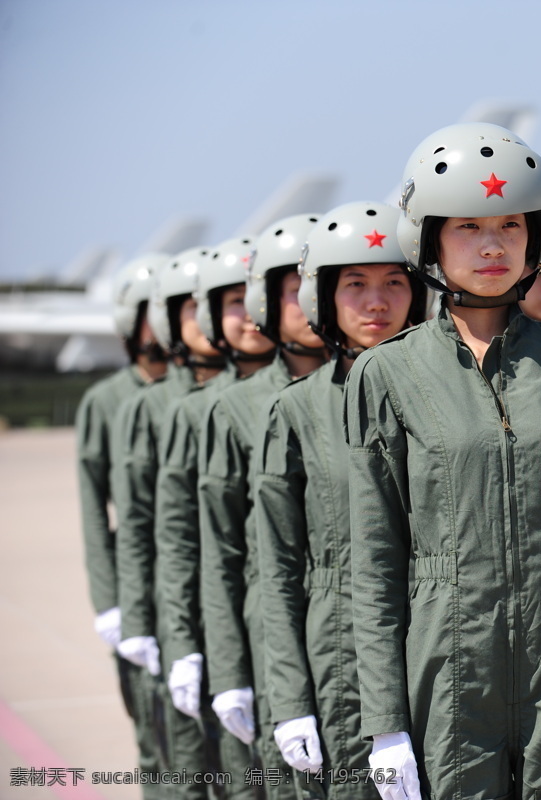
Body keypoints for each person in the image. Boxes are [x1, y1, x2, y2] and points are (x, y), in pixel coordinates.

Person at [345, 123, 541, 800]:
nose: (492, 245)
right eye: (467, 227)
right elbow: (373, 563)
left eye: (510, 226)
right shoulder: (386, 375)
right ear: (429, 238)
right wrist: (385, 722)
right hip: (450, 668)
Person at [255, 201, 423, 799]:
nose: (376, 302)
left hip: (438, 643)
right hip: (341, 656)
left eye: (393, 283)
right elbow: (275, 572)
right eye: (355, 285)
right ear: (324, 297)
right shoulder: (296, 412)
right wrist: (291, 699)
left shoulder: (454, 399)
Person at [196, 214, 328, 799]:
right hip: (274, 636)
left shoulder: (388, 390)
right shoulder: (236, 409)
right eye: (294, 286)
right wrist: (226, 672)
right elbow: (217, 550)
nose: (310, 298)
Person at [157, 235, 274, 798]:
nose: (249, 314)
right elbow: (183, 541)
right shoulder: (204, 413)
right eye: (232, 301)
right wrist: (181, 641)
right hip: (234, 623)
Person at [114, 244, 231, 795]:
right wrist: (132, 616)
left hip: (235, 607)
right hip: (175, 606)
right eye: (191, 308)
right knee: (179, 759)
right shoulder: (154, 407)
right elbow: (140, 526)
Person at [76, 254, 169, 795]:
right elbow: (92, 505)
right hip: (136, 575)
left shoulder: (197, 392)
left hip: (191, 575)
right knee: (152, 732)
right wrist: (107, 599)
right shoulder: (104, 402)